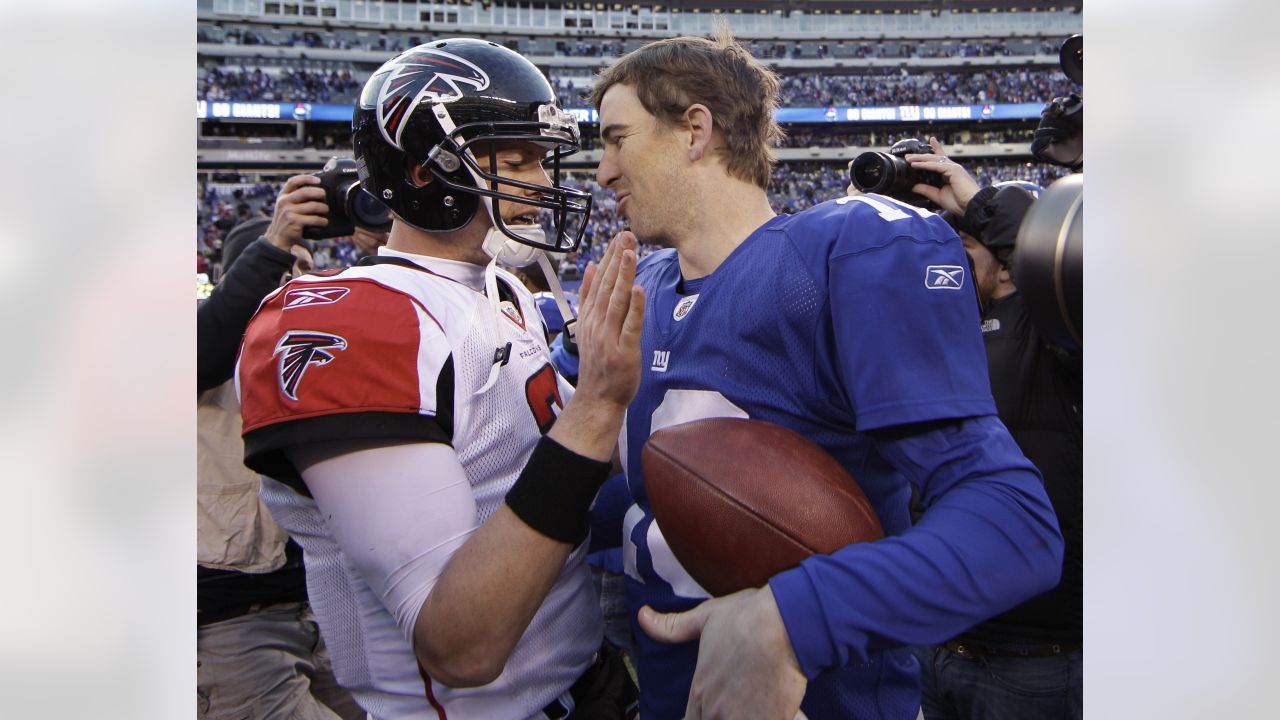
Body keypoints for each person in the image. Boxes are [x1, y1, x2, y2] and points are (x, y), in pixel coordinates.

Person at [589, 33, 1064, 720]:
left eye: (616, 139)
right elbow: (649, 504)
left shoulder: (840, 252)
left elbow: (1014, 527)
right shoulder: (647, 285)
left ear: (695, 130)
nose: (603, 172)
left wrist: (791, 618)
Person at [235, 39, 642, 719]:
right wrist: (597, 405)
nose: (541, 182)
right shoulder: (361, 320)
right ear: (425, 173)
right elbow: (460, 644)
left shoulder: (502, 290)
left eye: (542, 160)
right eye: (516, 161)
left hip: (587, 678)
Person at [905, 144, 1083, 720]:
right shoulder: (945, 326)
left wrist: (975, 199)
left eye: (965, 251)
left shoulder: (1057, 330)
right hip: (943, 639)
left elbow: (1064, 259)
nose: (950, 266)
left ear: (1008, 260)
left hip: (1034, 654)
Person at [198, 208, 362, 720]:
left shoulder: (315, 355)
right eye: (280, 271)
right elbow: (205, 348)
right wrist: (273, 247)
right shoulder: (200, 350)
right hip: (232, 618)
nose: (294, 284)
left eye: (304, 271)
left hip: (323, 603)